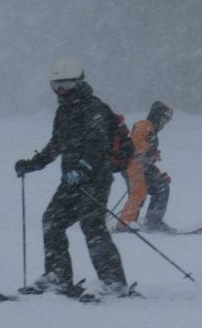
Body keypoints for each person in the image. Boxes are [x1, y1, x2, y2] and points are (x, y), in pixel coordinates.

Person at [14, 58, 130, 297]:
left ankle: (113, 283)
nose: (61, 90)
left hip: (95, 180)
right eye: (56, 85)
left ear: (78, 82)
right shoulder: (64, 109)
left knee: (92, 225)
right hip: (71, 180)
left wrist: (83, 169)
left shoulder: (93, 108)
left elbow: (98, 145)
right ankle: (58, 276)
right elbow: (57, 143)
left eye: (66, 84)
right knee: (52, 221)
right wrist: (34, 164)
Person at [117, 100, 175, 233]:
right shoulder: (144, 125)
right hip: (132, 165)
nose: (165, 122)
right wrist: (149, 152)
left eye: (168, 119)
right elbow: (135, 144)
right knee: (138, 193)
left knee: (161, 187)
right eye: (164, 117)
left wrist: (158, 174)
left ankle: (153, 222)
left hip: (141, 167)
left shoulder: (152, 130)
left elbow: (146, 159)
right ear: (156, 114)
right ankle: (125, 225)